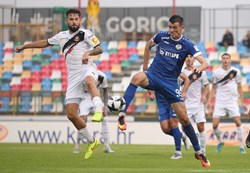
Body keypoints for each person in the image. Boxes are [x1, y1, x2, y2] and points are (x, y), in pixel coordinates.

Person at [118, 15, 211, 168]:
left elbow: (205, 63)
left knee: (185, 119)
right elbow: (148, 46)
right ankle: (122, 114)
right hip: (153, 76)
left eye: (175, 28)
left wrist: (199, 68)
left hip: (170, 84)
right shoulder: (162, 36)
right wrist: (145, 68)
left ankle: (199, 152)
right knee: (136, 78)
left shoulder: (187, 44)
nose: (171, 30)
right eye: (170, 27)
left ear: (182, 28)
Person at [15, 8, 104, 159]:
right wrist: (25, 46)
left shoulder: (86, 33)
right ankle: (91, 141)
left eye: (76, 19)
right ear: (67, 21)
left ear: (79, 20)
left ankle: (98, 110)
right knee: (71, 114)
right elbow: (45, 43)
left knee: (90, 81)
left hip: (88, 69)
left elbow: (99, 48)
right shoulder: (61, 36)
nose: (74, 21)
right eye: (71, 19)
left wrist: (88, 53)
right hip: (73, 78)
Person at [207, 53, 247, 154]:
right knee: (215, 125)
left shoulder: (236, 71)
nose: (225, 60)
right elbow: (214, 88)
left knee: (238, 122)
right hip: (220, 101)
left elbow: (240, 87)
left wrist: (242, 102)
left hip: (232, 101)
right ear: (221, 60)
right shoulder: (216, 72)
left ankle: (242, 146)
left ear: (230, 60)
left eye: (227, 58)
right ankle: (221, 141)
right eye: (223, 58)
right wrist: (209, 101)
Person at [148, 72, 191, 160]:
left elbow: (187, 79)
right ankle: (182, 136)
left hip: (173, 99)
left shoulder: (173, 69)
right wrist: (151, 93)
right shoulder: (155, 71)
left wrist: (184, 92)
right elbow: (147, 82)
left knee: (174, 123)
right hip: (162, 103)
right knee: (165, 128)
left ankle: (178, 152)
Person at [73, 69, 114, 153]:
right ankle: (77, 144)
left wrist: (105, 105)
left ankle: (107, 146)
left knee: (104, 116)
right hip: (84, 97)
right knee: (82, 120)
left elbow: (105, 91)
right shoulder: (82, 75)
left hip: (96, 96)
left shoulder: (102, 76)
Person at [182, 55, 210, 155]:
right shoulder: (180, 73)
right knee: (185, 127)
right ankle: (185, 138)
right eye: (187, 57)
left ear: (194, 59)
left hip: (198, 103)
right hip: (185, 103)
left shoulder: (201, 72)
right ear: (184, 59)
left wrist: (204, 95)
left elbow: (207, 87)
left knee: (201, 126)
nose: (189, 59)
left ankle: (203, 151)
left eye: (191, 57)